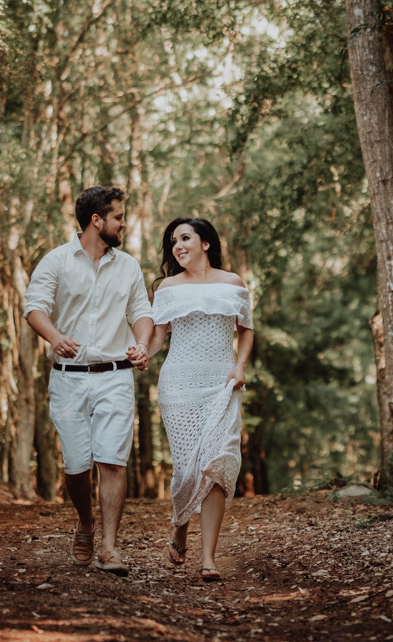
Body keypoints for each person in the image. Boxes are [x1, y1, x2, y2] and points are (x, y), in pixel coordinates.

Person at [23, 186, 152, 576]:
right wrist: (56, 337)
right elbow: (34, 307)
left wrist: (142, 343)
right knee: (76, 464)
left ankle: (110, 548)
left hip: (115, 376)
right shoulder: (57, 261)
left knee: (112, 461)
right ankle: (85, 522)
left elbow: (141, 311)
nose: (123, 223)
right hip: (68, 380)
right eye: (118, 217)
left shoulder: (128, 265)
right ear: (97, 220)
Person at [145, 217, 253, 582]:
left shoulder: (233, 283)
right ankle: (179, 524)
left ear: (205, 243)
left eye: (185, 238)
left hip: (222, 383)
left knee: (219, 464)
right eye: (173, 241)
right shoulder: (168, 288)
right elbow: (158, 337)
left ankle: (208, 557)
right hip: (179, 385)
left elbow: (247, 330)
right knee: (188, 468)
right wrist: (143, 352)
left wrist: (239, 366)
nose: (178, 246)